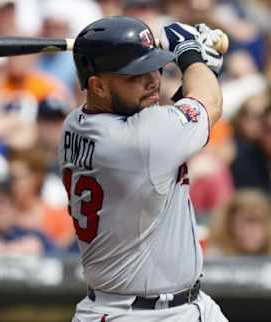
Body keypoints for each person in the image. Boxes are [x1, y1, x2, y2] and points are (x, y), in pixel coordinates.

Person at [59, 16, 227, 321]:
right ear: (96, 85)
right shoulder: (138, 140)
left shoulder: (75, 123)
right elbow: (209, 103)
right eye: (134, 75)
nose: (152, 80)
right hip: (135, 314)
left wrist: (202, 69)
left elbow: (175, 119)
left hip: (188, 305)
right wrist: (190, 54)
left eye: (155, 66)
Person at [205, 189, 271, 263]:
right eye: (245, 222)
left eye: (257, 222)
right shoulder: (216, 255)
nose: (250, 230)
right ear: (230, 225)